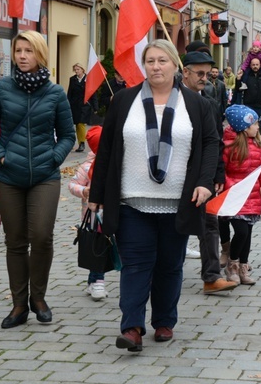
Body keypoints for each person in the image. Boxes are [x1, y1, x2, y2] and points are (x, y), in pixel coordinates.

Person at [88, 39, 219, 353]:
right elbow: (106, 150)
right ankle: (132, 327)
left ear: (176, 66)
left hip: (179, 203)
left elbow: (212, 144)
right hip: (132, 200)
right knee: (135, 265)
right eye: (150, 61)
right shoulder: (123, 100)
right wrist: (97, 195)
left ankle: (164, 321)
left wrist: (205, 182)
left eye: (162, 61)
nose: (156, 67)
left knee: (170, 266)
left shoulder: (197, 104)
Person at [0, 30, 76, 329]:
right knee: (15, 241)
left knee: (42, 236)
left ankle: (39, 298)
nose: (21, 56)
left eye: (28, 51)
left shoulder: (55, 93)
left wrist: (54, 158)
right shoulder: (1, 89)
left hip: (45, 175)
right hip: (7, 177)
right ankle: (19, 305)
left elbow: (68, 135)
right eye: (18, 50)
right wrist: (1, 156)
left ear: (40, 54)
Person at [180, 49, 237, 295]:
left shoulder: (210, 103)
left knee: (210, 224)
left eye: (207, 73)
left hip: (202, 176)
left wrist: (217, 174)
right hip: (174, 175)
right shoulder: (172, 100)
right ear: (185, 73)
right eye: (200, 73)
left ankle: (211, 276)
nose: (205, 78)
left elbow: (216, 142)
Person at [221, 105, 261, 285]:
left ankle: (243, 267)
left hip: (252, 197)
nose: (257, 126)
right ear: (244, 127)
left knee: (247, 234)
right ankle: (232, 264)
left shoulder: (256, 146)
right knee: (241, 231)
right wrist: (230, 186)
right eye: (254, 123)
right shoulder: (228, 147)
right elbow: (221, 171)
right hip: (235, 197)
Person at [68, 125, 107, 300]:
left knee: (102, 247)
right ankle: (98, 281)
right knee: (97, 247)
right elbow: (72, 185)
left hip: (112, 214)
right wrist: (83, 191)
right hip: (92, 217)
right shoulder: (87, 167)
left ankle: (93, 281)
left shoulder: (115, 164)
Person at [67, 63, 97, 152]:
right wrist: (67, 104)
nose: (76, 71)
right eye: (75, 70)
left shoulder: (88, 79)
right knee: (77, 124)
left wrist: (95, 107)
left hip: (85, 105)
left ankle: (82, 143)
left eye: (78, 69)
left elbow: (93, 94)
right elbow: (70, 93)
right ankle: (78, 142)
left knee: (81, 123)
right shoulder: (72, 79)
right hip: (74, 105)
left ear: (83, 69)